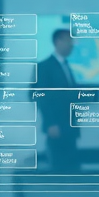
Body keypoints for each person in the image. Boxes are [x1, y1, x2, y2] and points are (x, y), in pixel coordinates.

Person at [35, 29, 82, 173]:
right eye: (69, 41)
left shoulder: (66, 66)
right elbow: (41, 97)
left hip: (70, 126)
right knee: (58, 169)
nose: (72, 45)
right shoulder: (44, 67)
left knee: (72, 167)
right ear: (58, 42)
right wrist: (50, 123)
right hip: (56, 126)